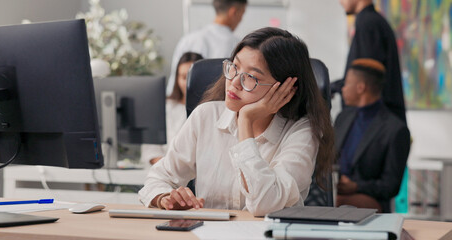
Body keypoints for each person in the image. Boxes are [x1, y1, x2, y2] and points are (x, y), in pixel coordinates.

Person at [138, 27, 335, 217]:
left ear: (286, 89)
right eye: (235, 66)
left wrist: (246, 121)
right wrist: (165, 197)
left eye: (251, 77)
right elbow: (158, 178)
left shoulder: (301, 132)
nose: (234, 82)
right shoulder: (205, 115)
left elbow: (265, 204)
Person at [334, 58, 410, 213]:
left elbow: (390, 186)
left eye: (347, 84)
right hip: (335, 192)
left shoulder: (395, 130)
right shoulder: (343, 117)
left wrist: (356, 186)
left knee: (330, 202)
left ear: (361, 87)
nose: (342, 89)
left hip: (371, 201)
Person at [331, 0, 406, 123]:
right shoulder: (372, 22)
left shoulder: (368, 24)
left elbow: (366, 76)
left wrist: (332, 87)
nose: (340, 2)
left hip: (376, 127)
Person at [165, 0, 247, 96]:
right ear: (233, 12)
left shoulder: (188, 40)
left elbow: (173, 86)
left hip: (182, 106)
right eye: (242, 14)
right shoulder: (237, 45)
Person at [141, 52, 203, 166]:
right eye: (184, 77)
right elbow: (150, 150)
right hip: (168, 173)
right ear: (177, 79)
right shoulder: (166, 107)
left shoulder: (210, 110)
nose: (188, 83)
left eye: (193, 77)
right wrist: (169, 168)